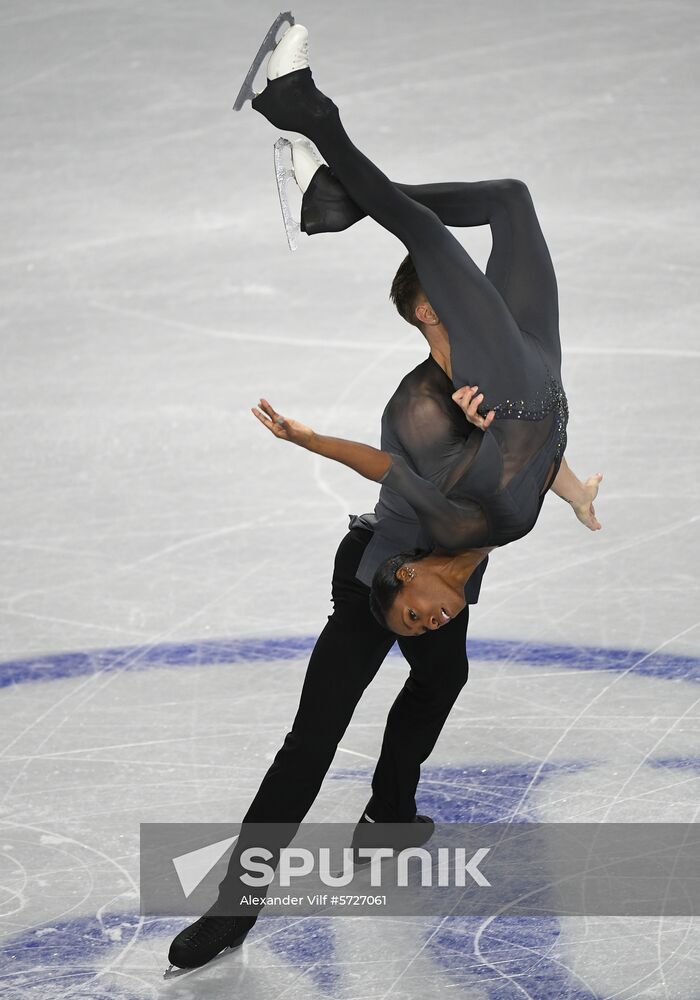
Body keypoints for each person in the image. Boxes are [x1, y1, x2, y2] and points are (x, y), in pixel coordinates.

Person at [166, 20, 601, 973]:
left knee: (491, 210)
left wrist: (553, 474)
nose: (434, 614)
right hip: (489, 443)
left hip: (439, 487)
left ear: (411, 583)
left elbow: (486, 217)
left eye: (420, 609)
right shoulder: (477, 476)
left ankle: (388, 812)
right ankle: (235, 911)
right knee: (313, 741)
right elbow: (474, 470)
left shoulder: (454, 485)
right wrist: (563, 480)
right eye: (434, 327)